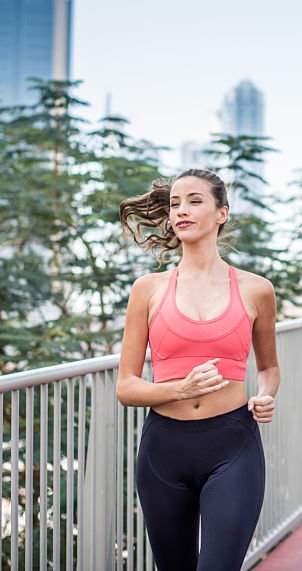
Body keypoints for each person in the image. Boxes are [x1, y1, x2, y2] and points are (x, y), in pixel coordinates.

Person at [116, 169, 280, 571]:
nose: (181, 211)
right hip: (163, 450)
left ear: (221, 212)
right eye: (175, 204)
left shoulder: (257, 289)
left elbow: (270, 367)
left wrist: (265, 394)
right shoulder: (148, 289)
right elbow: (126, 386)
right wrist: (179, 390)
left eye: (194, 201)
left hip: (232, 444)